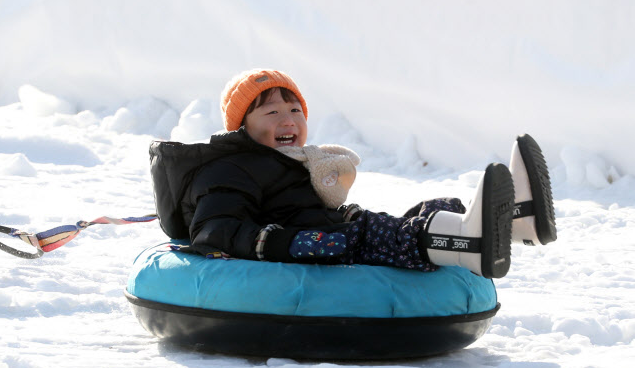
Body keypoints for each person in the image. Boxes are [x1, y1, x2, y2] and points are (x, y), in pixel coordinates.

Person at [165, 68, 556, 279]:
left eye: (295, 110)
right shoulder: (228, 168)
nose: (288, 120)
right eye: (271, 113)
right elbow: (215, 228)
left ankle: (519, 223)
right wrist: (285, 243)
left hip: (335, 230)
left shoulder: (290, 160)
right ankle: (469, 244)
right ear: (241, 128)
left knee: (431, 211)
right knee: (398, 238)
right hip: (316, 245)